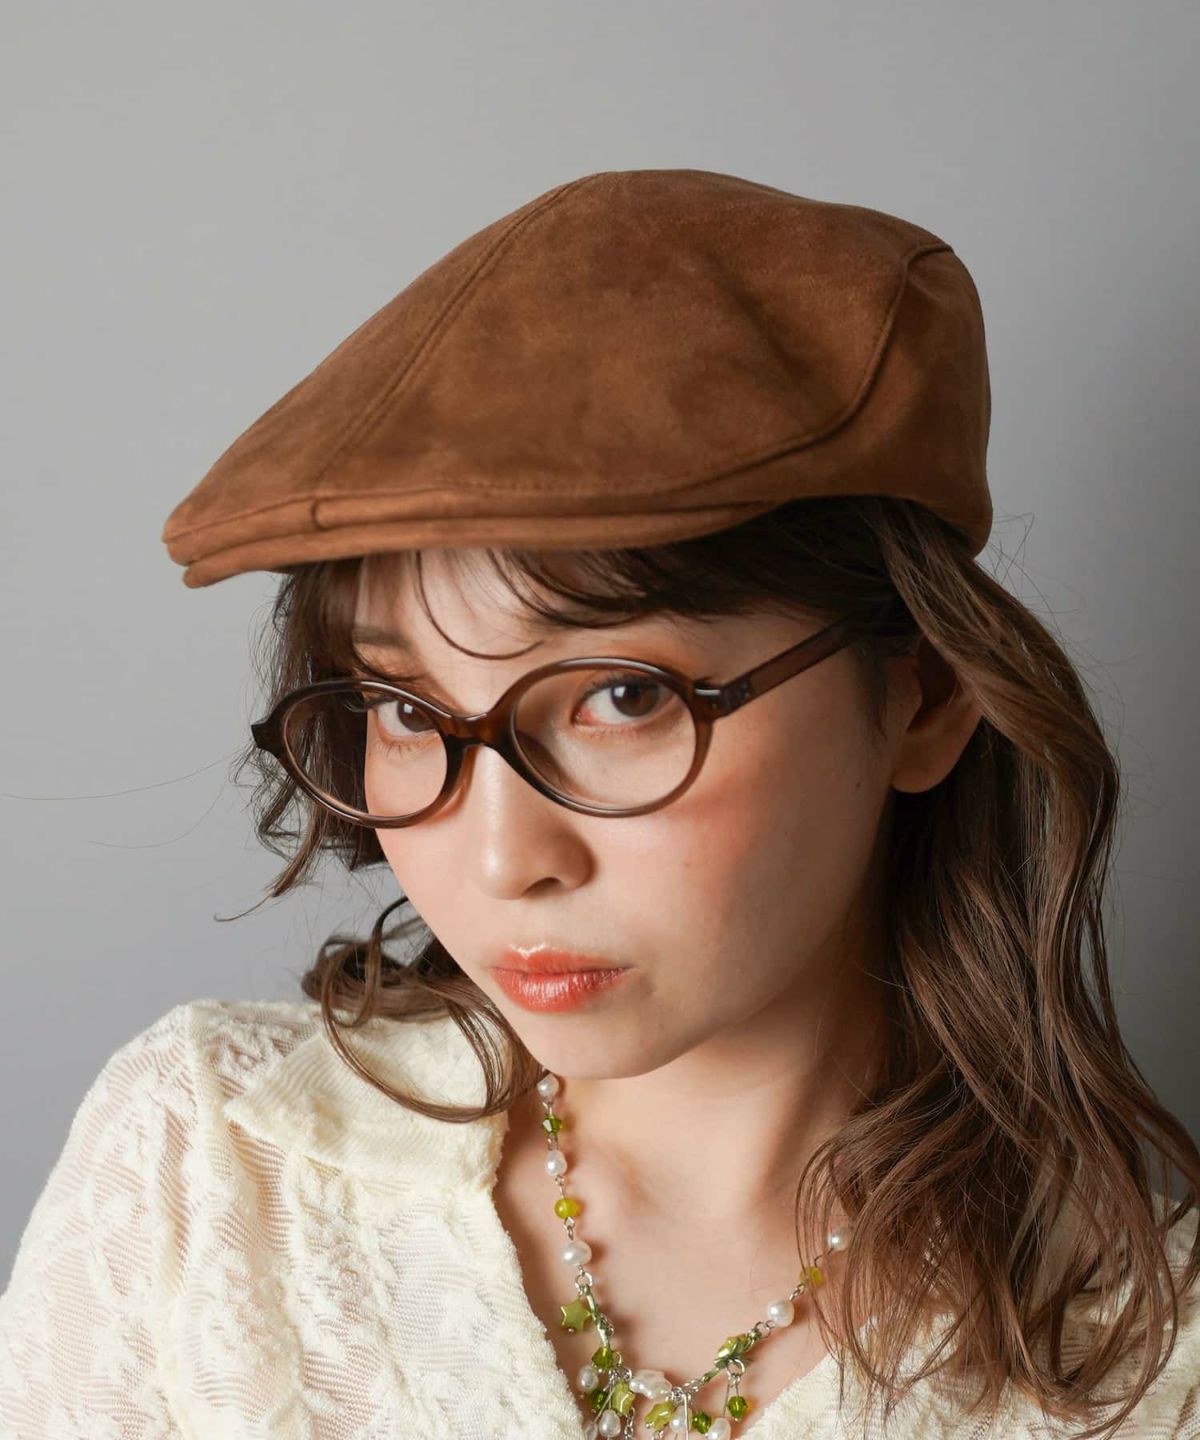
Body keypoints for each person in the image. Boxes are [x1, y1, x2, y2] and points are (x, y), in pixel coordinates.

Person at [1, 169, 1198, 1440]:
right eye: (407, 711)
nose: (503, 857)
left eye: (622, 698)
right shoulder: (209, 1171)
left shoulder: (1145, 1367)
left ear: (924, 696)